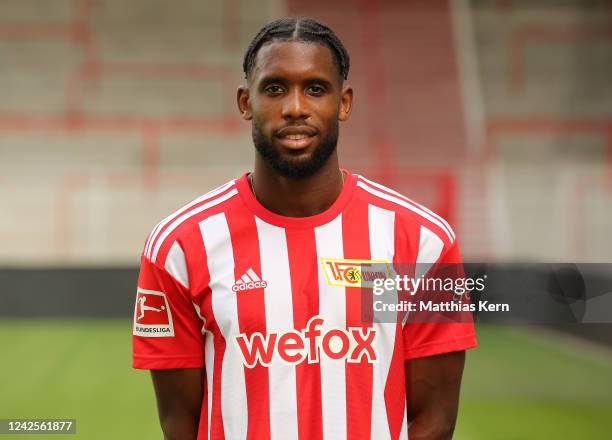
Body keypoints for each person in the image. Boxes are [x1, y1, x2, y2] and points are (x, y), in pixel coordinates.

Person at [132, 16, 477, 440]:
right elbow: (179, 424)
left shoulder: (421, 242)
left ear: (344, 102)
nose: (295, 107)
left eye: (315, 88)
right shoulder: (181, 246)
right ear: (245, 102)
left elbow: (435, 421)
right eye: (275, 88)